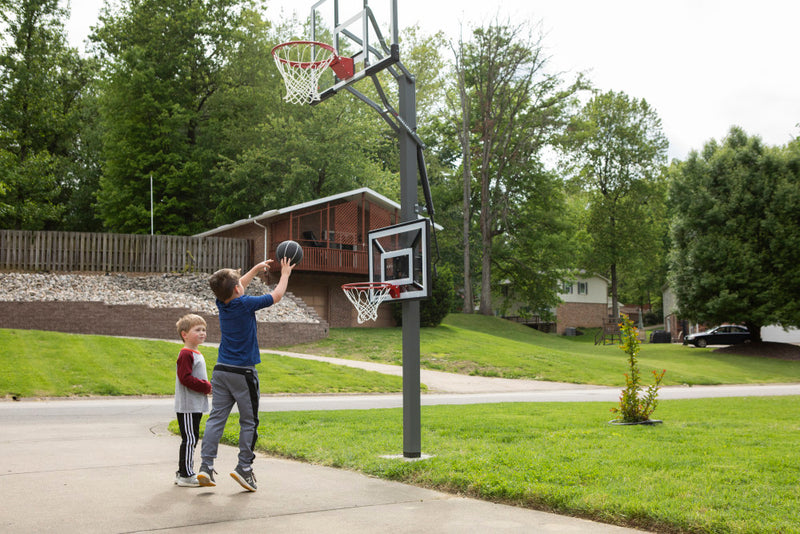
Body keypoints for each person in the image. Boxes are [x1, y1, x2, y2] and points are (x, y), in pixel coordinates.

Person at [197, 257, 294, 492]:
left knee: (216, 418)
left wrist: (254, 270)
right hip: (243, 373)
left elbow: (233, 285)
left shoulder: (222, 303)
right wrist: (285, 274)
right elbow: (277, 296)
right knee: (248, 421)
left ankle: (206, 466)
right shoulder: (246, 303)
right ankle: (244, 468)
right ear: (239, 289)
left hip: (221, 371)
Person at [174, 314, 212, 487]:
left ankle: (184, 471)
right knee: (189, 439)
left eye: (204, 329)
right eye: (197, 330)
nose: (202, 333)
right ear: (184, 334)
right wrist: (206, 386)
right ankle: (185, 475)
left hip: (195, 405)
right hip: (188, 406)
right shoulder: (186, 354)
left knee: (192, 438)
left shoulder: (196, 353)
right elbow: (185, 378)